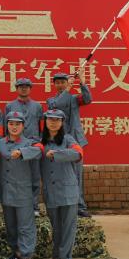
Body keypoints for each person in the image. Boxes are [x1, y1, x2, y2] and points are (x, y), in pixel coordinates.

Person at [0, 111, 43, 259]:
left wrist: (22, 152)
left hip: (23, 191)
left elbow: (39, 151)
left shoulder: (30, 143)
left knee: (25, 226)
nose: (14, 127)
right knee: (11, 226)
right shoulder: (1, 143)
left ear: (23, 126)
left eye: (18, 124)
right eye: (11, 124)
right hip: (6, 191)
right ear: (7, 125)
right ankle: (16, 253)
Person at [40, 109, 84, 259]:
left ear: (62, 123)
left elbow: (78, 153)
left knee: (68, 226)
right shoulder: (41, 141)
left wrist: (57, 154)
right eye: (50, 119)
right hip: (50, 191)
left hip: (68, 191)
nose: (53, 123)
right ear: (45, 122)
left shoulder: (68, 139)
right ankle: (56, 256)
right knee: (56, 226)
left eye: (57, 120)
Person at [46, 72, 92, 217]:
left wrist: (82, 81)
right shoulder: (51, 101)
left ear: (67, 82)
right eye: (58, 83)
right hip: (59, 141)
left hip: (75, 140)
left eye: (63, 82)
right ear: (54, 85)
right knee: (60, 174)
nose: (60, 85)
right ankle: (62, 203)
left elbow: (87, 99)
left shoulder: (74, 99)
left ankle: (79, 206)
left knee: (77, 174)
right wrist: (67, 89)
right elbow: (57, 105)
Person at [5, 77, 44, 216]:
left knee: (34, 176)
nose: (23, 88)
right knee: (16, 176)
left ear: (30, 88)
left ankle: (34, 206)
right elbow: (6, 127)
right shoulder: (10, 106)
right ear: (16, 88)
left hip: (32, 145)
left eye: (26, 86)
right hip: (16, 146)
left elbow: (41, 126)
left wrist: (39, 142)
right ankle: (16, 203)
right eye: (21, 86)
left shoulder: (37, 106)